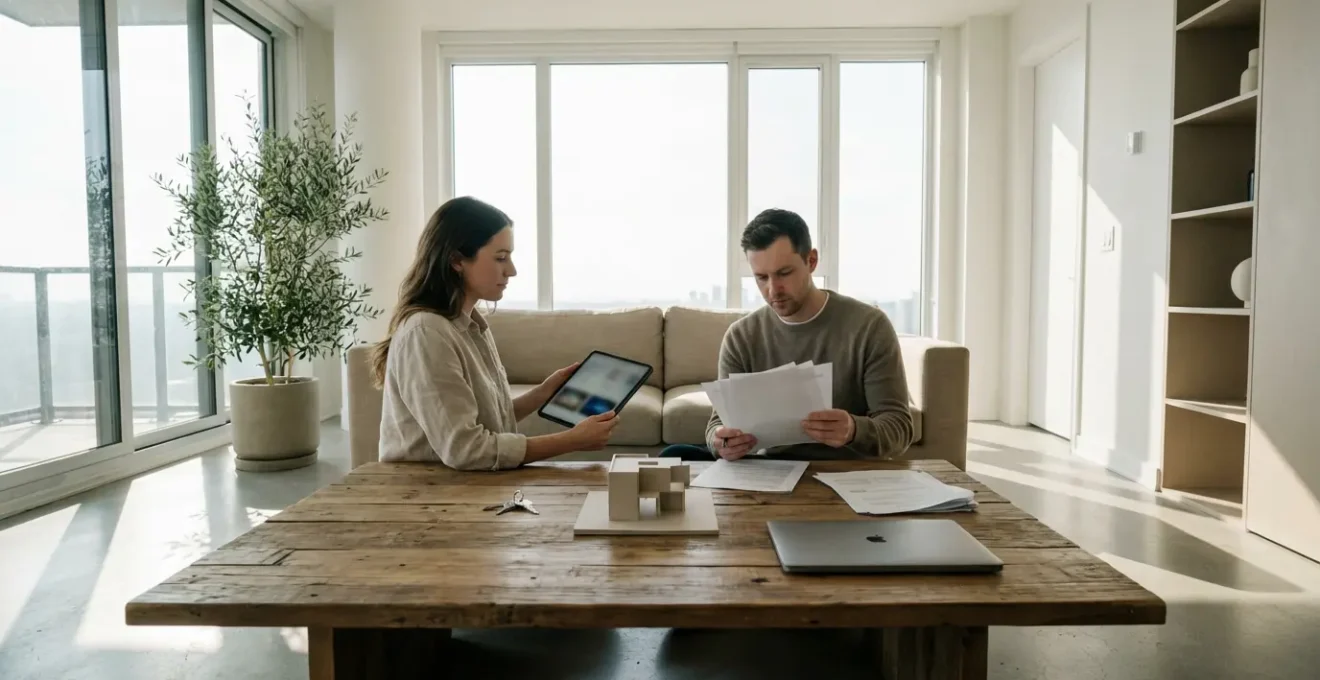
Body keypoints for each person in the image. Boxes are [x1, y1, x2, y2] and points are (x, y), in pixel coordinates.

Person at [372, 196, 619, 470]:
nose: (511, 271)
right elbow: (468, 450)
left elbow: (488, 423)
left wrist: (542, 393)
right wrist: (572, 440)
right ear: (456, 260)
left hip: (467, 486)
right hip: (429, 495)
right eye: (501, 258)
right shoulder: (427, 335)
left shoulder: (471, 326)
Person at [662, 208, 914, 462]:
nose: (773, 290)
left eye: (784, 273)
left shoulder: (869, 326)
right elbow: (718, 424)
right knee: (674, 456)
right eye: (761, 277)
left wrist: (853, 430)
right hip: (771, 472)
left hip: (848, 473)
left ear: (811, 261)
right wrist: (721, 441)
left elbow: (899, 429)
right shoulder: (741, 337)